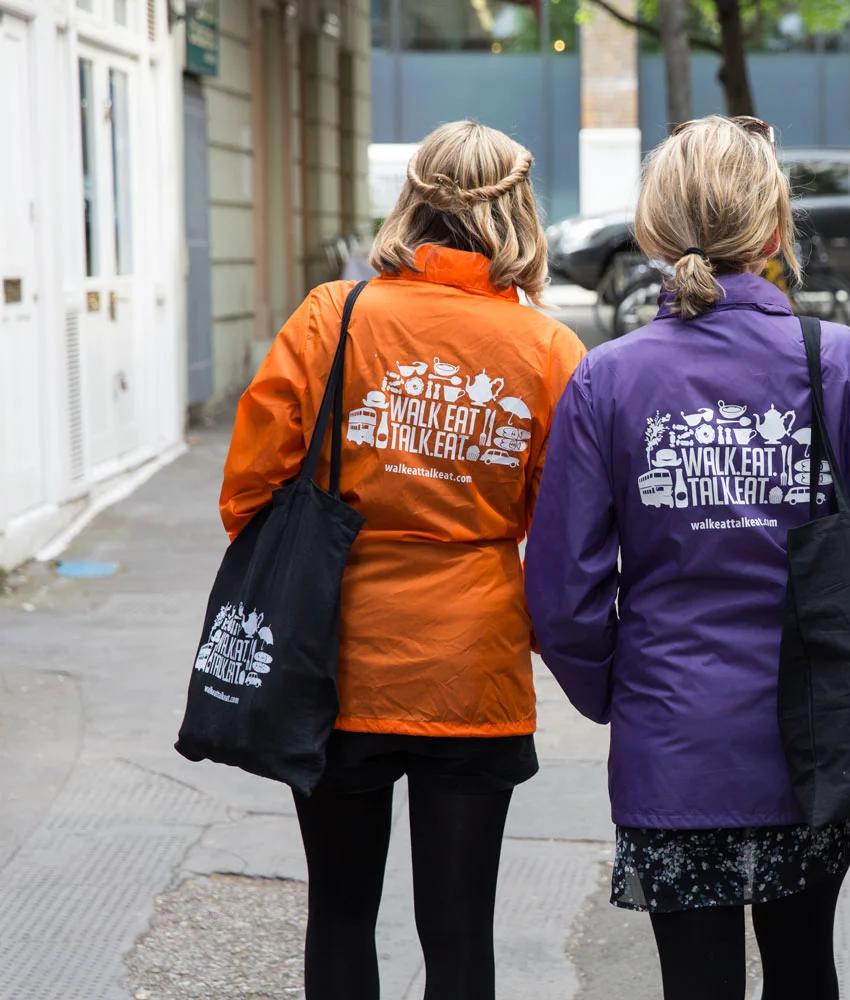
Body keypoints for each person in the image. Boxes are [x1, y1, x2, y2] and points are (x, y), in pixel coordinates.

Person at [524, 115, 850, 1000]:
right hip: (817, 742)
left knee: (693, 985)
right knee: (803, 965)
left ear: (654, 231)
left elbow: (562, 595)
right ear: (777, 229)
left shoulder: (610, 377)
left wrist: (620, 693)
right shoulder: (843, 365)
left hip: (674, 736)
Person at [219, 120, 586, 1000]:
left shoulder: (331, 317)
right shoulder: (548, 351)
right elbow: (562, 521)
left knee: (340, 913)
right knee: (460, 929)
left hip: (334, 661)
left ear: (412, 202)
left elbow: (247, 494)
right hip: (473, 670)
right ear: (519, 213)